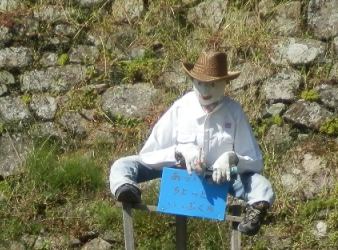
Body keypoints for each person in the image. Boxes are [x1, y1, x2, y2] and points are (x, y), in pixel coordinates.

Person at [108, 49, 276, 235]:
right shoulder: (182, 107)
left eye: (212, 85)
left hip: (219, 177)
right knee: (123, 165)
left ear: (224, 83)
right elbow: (149, 153)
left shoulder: (234, 111)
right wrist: (180, 152)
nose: (205, 91)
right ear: (192, 81)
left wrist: (231, 158)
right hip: (178, 170)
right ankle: (126, 188)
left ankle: (255, 210)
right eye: (200, 84)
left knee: (260, 184)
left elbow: (255, 162)